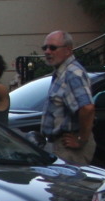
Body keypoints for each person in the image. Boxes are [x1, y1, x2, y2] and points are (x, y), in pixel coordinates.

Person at [39, 30, 96, 165]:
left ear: (68, 50)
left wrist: (81, 139)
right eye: (45, 47)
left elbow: (87, 108)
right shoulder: (61, 72)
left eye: (53, 48)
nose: (47, 51)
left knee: (67, 185)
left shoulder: (72, 73)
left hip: (69, 148)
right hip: (59, 145)